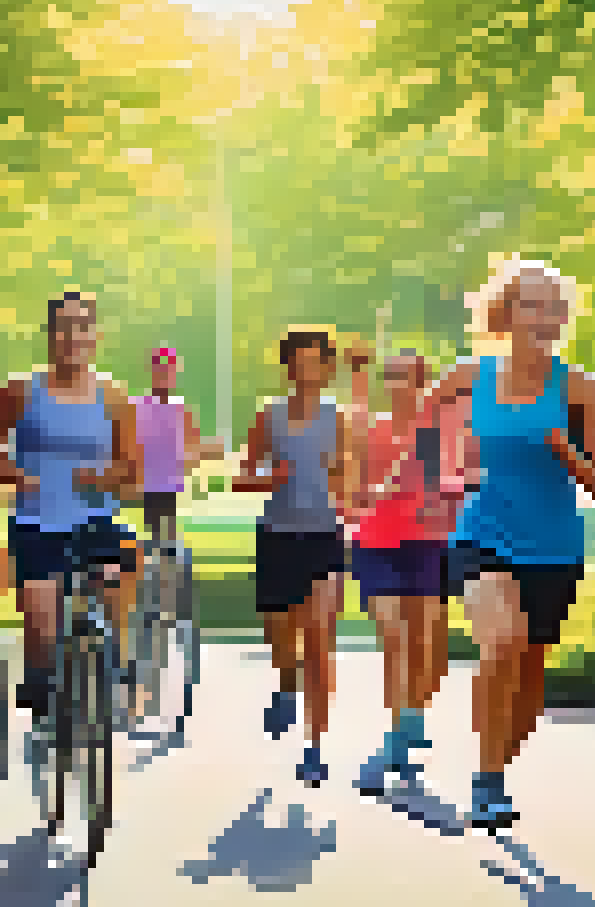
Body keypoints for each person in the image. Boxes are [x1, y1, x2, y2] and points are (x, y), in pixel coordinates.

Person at [420, 257, 595, 829]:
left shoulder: (582, 390)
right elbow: (424, 431)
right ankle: (485, 782)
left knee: (529, 679)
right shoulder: (466, 378)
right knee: (501, 643)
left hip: (553, 547)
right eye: (531, 304)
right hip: (482, 533)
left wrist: (569, 453)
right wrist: (442, 477)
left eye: (553, 307)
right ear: (504, 313)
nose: (543, 316)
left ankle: (497, 766)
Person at [0, 292, 143, 721]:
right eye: (64, 327)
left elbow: (131, 467)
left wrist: (104, 477)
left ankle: (120, 662)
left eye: (81, 328)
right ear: (50, 335)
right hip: (37, 523)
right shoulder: (20, 390)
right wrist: (16, 476)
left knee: (121, 572)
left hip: (95, 521)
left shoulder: (113, 395)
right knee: (41, 622)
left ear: (95, 335)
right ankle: (42, 686)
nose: (73, 336)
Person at [232, 327, 355, 788]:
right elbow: (241, 478)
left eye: (315, 362)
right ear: (288, 368)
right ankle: (286, 684)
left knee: (320, 643)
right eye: (299, 363)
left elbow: (349, 479)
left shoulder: (337, 418)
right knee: (282, 635)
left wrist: (343, 476)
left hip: (324, 537)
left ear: (327, 368)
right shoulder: (270, 416)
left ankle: (315, 747)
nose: (307, 371)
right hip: (277, 537)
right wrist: (270, 477)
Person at [345, 343, 453, 794]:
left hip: (426, 543)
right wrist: (358, 496)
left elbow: (443, 483)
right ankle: (396, 736)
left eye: (405, 376)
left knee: (424, 641)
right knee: (394, 636)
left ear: (420, 382)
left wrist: (439, 503)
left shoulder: (432, 431)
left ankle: (413, 714)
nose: (396, 384)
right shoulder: (371, 428)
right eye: (390, 375)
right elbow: (351, 482)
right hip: (375, 542)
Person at [130, 344, 224, 546]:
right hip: (147, 482)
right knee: (157, 534)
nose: (164, 375)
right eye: (160, 369)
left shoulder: (181, 409)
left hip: (169, 484)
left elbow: (191, 445)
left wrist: (209, 450)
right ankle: (158, 556)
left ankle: (164, 556)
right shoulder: (138, 405)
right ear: (152, 371)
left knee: (165, 535)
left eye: (168, 370)